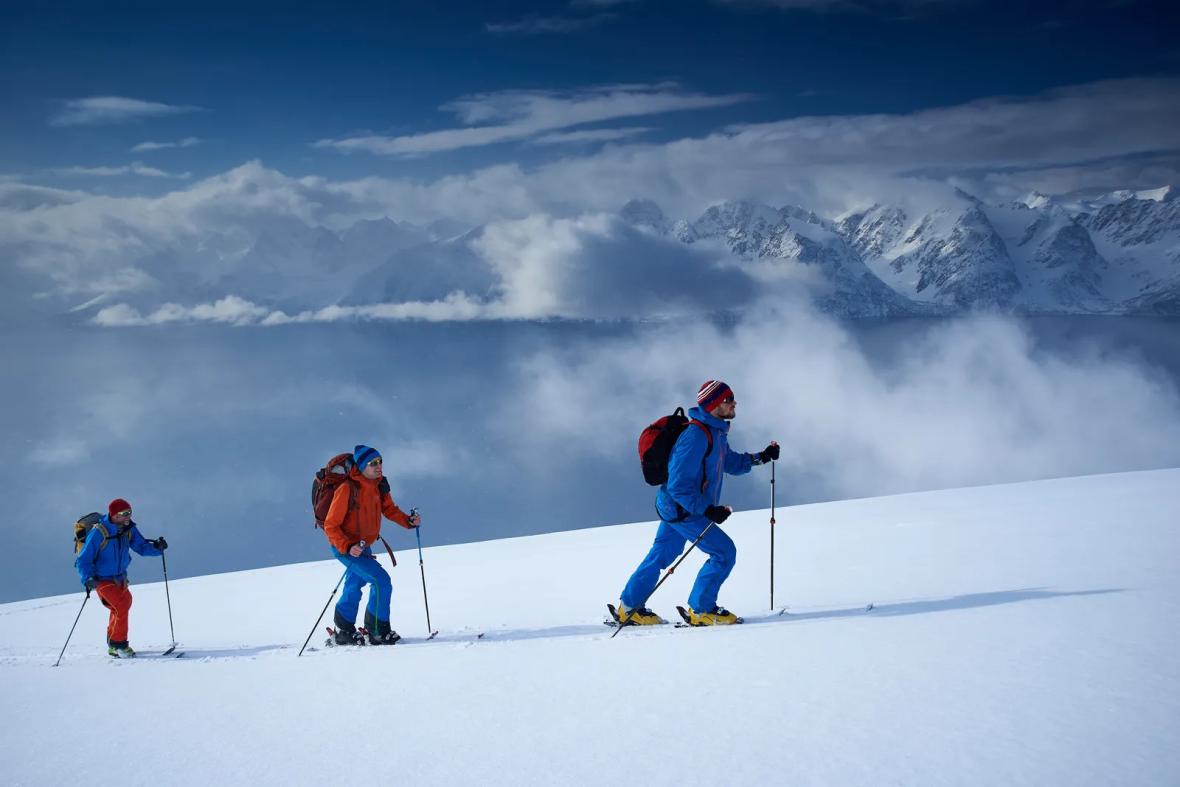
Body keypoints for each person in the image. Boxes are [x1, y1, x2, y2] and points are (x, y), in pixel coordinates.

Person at [616, 380, 779, 626]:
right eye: (728, 399)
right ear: (714, 404)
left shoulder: (715, 433)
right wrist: (708, 510)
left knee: (661, 554)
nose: (734, 403)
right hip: (682, 507)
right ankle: (702, 610)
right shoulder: (696, 436)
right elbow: (678, 485)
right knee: (724, 552)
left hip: (675, 506)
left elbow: (729, 462)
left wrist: (762, 457)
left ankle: (629, 607)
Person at [323, 445, 422, 645]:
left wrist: (408, 521)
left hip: (362, 547)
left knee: (354, 584)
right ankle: (377, 630)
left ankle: (343, 630)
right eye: (373, 463)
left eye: (380, 461)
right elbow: (330, 525)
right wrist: (347, 546)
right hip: (345, 547)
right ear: (361, 466)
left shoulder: (379, 485)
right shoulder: (347, 488)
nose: (378, 466)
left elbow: (389, 509)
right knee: (380, 580)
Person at [74, 498, 167, 658]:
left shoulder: (128, 529)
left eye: (129, 512)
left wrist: (157, 548)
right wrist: (87, 578)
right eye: (124, 513)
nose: (128, 516)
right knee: (122, 605)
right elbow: (83, 559)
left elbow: (141, 546)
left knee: (121, 605)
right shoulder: (99, 532)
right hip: (101, 579)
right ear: (114, 515)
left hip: (120, 578)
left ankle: (113, 644)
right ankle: (119, 645)